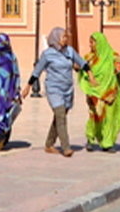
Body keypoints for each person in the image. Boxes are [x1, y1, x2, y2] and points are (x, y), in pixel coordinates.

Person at [22, 27, 94, 157]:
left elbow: (82, 63)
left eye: (66, 37)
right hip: (54, 89)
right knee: (60, 115)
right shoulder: (47, 54)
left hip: (67, 89)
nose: (66, 39)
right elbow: (37, 71)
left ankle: (49, 144)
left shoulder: (70, 51)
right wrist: (28, 87)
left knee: (59, 116)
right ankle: (66, 147)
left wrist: (91, 76)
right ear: (56, 38)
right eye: (63, 37)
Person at [79, 32, 120, 153]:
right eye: (90, 42)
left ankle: (107, 143)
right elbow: (80, 68)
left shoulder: (113, 57)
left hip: (109, 93)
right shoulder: (89, 58)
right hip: (94, 93)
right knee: (95, 116)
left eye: (92, 42)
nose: (90, 45)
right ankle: (90, 139)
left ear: (100, 43)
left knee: (109, 117)